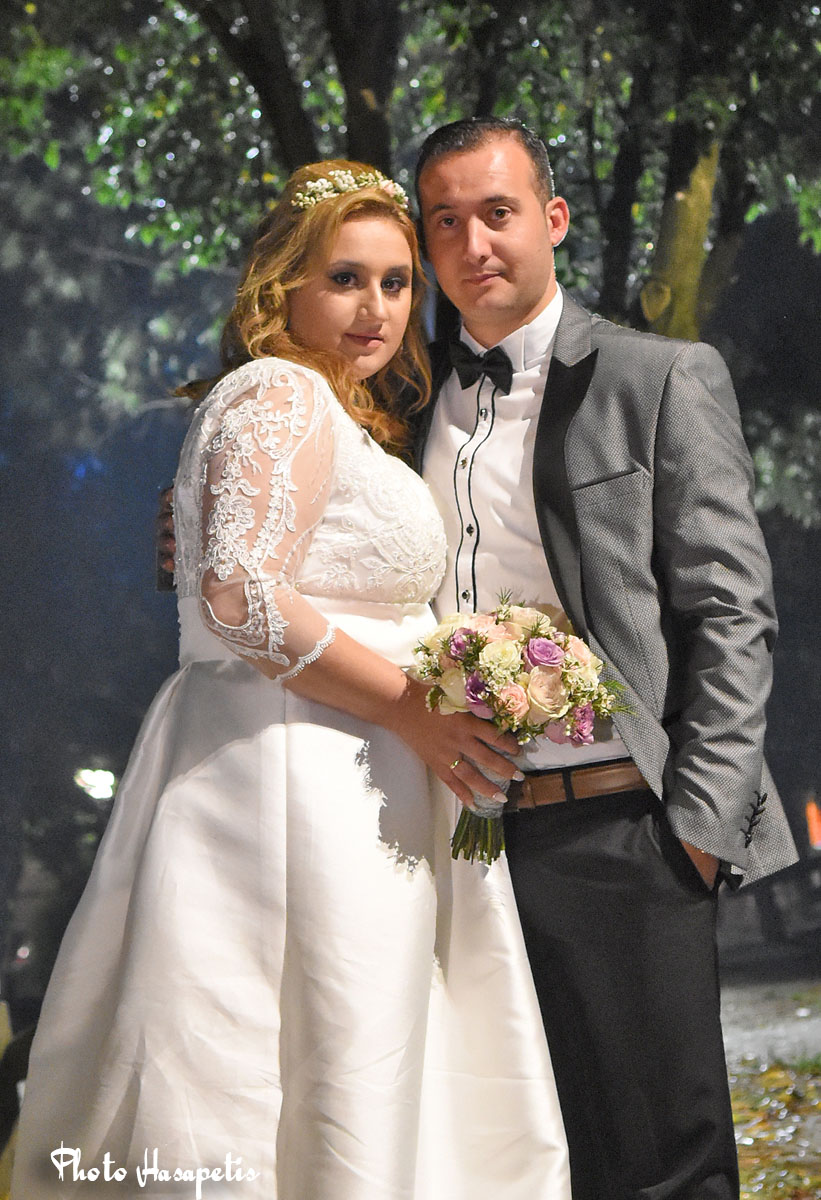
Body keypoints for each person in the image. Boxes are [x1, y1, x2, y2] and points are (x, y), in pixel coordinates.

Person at [11, 161, 571, 1199]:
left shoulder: (327, 406)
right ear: (284, 285)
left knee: (343, 1055)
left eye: (396, 283)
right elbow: (240, 596)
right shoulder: (279, 392)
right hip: (294, 785)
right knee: (298, 1056)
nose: (376, 308)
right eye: (345, 279)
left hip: (338, 770)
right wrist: (415, 708)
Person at [411, 117, 798, 1200]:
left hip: (623, 830)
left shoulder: (658, 376)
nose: (473, 243)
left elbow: (730, 611)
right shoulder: (406, 401)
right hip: (460, 847)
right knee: (521, 1164)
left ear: (553, 218)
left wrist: (696, 832)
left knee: (664, 1164)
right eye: (444, 221)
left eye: (496, 212)